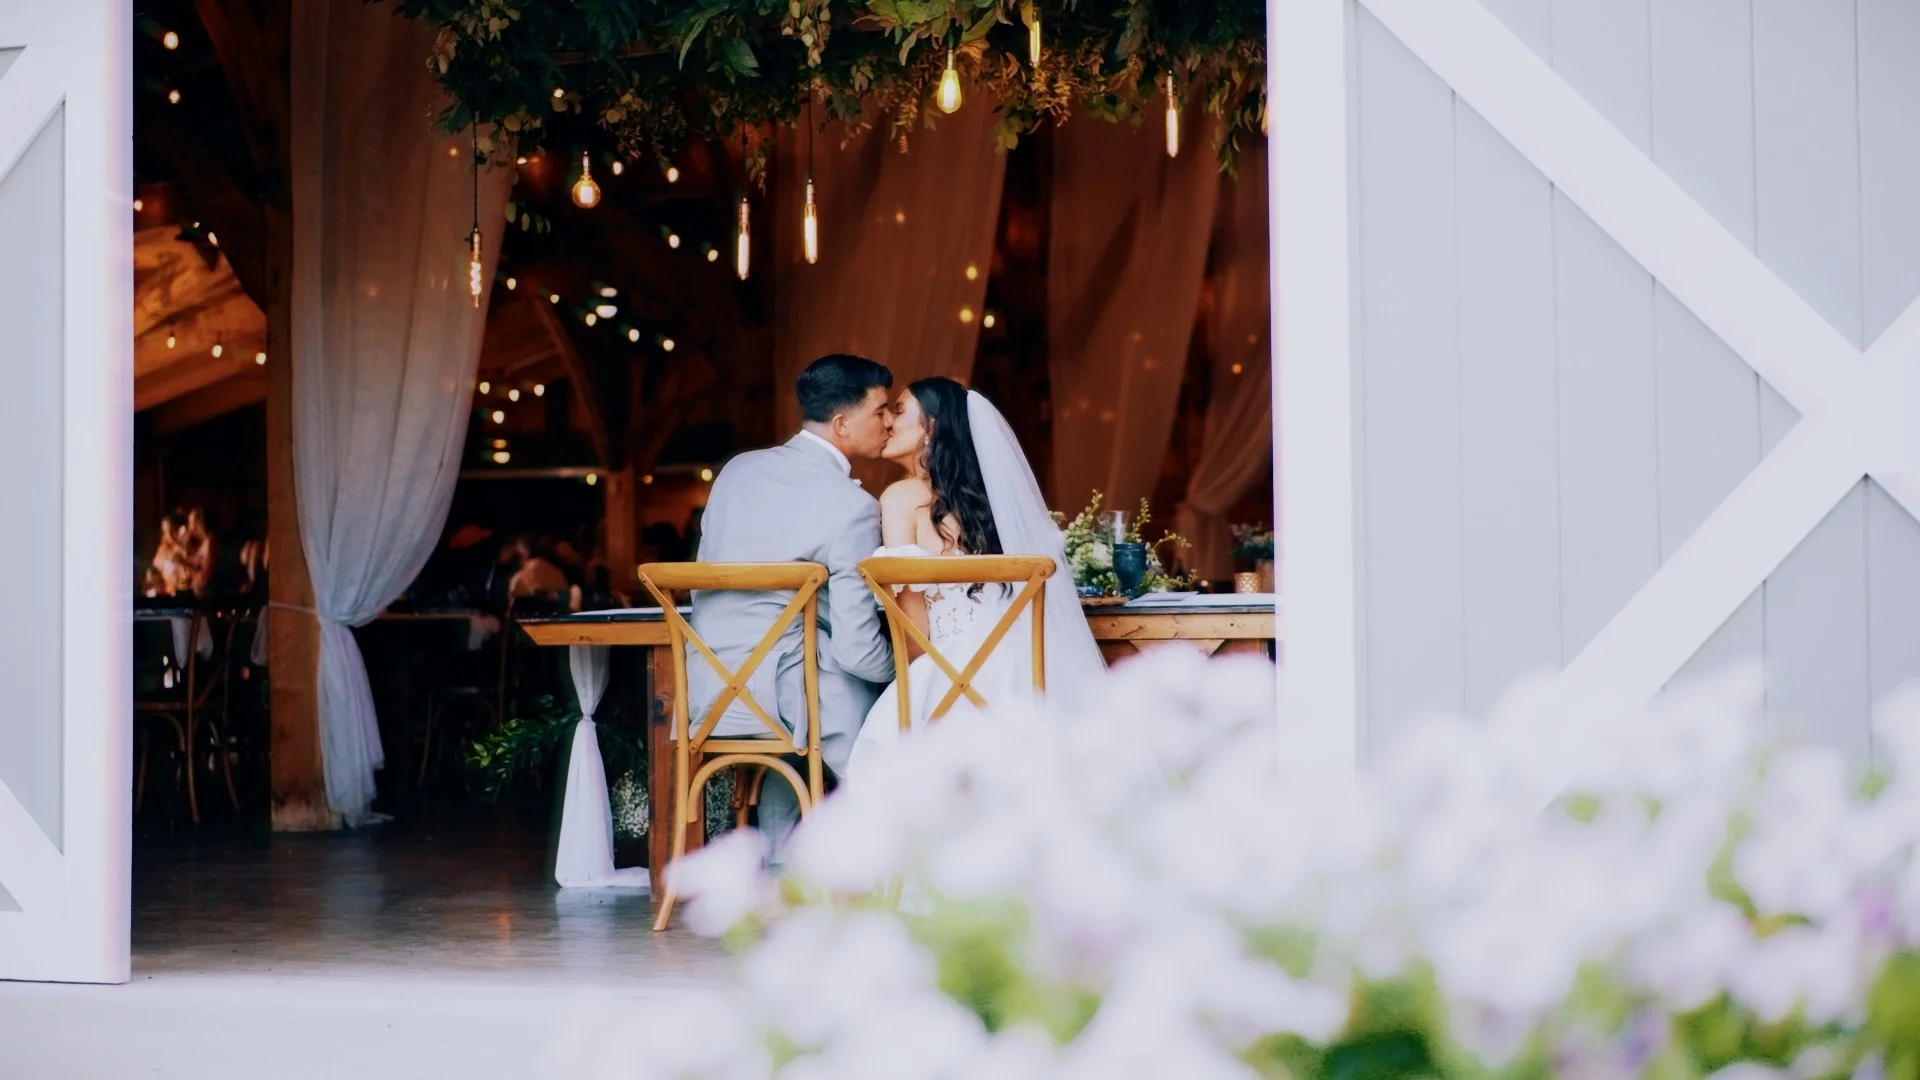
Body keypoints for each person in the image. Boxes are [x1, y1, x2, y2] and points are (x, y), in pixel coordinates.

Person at [844, 377, 1105, 776]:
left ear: (930, 427)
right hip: (1032, 669)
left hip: (954, 673)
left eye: (898, 411)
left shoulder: (900, 498)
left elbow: (915, 636)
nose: (888, 422)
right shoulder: (992, 503)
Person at [690, 354, 898, 854]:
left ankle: (786, 863)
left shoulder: (737, 472)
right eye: (881, 411)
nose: (889, 421)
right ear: (843, 422)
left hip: (709, 685)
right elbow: (856, 650)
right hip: (794, 698)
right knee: (891, 703)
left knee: (812, 684)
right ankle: (898, 872)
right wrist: (906, 672)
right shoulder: (854, 508)